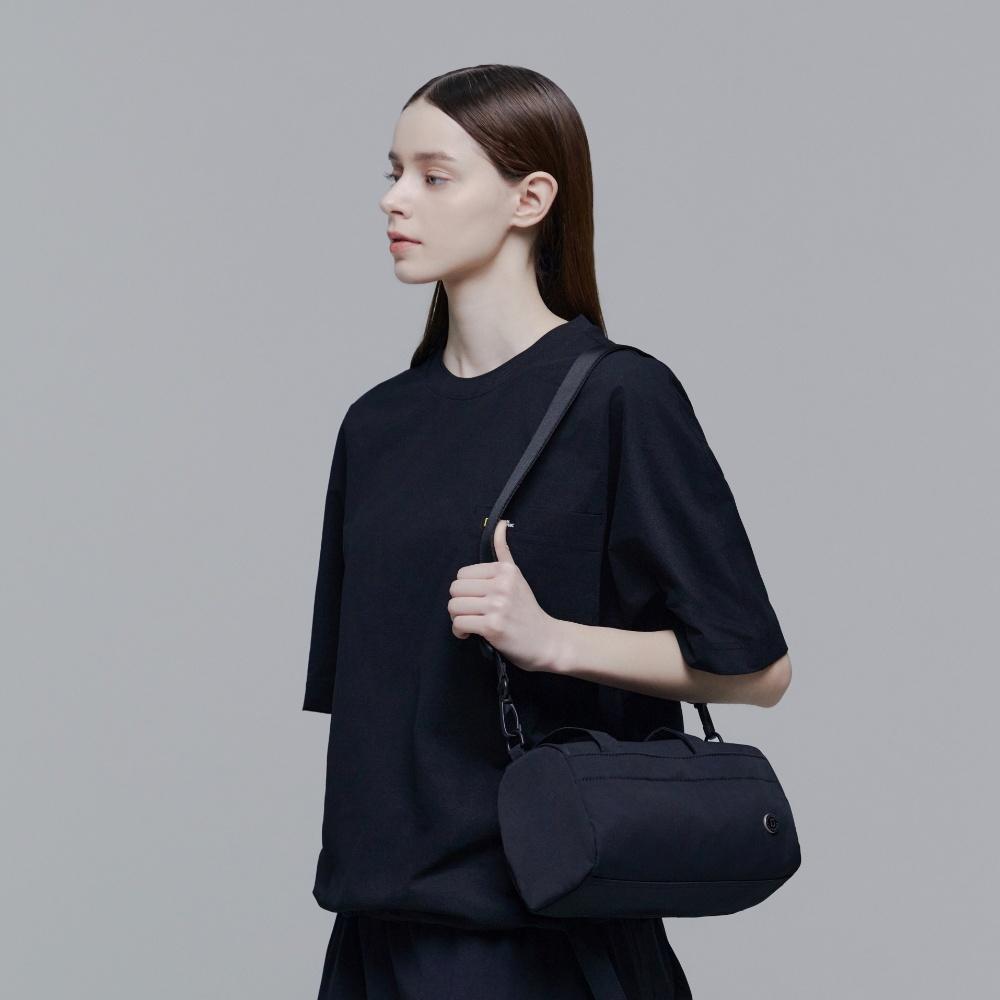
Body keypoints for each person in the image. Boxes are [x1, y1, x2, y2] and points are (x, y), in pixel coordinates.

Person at [303, 64, 792, 1000]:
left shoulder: (619, 397)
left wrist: (554, 641)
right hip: (375, 931)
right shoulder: (375, 426)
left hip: (539, 940)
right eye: (394, 172)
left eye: (433, 175)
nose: (394, 199)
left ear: (530, 198)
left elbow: (758, 671)